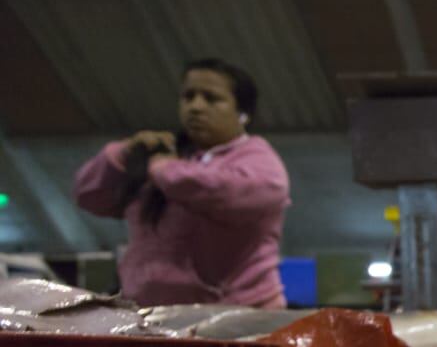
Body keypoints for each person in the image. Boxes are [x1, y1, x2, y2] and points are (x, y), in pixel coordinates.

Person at [72, 58, 291, 307]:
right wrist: (121, 155)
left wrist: (163, 168)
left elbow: (224, 192)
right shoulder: (163, 155)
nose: (196, 106)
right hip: (152, 315)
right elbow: (89, 196)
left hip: (238, 318)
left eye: (211, 98)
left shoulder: (259, 160)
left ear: (243, 114)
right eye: (188, 96)